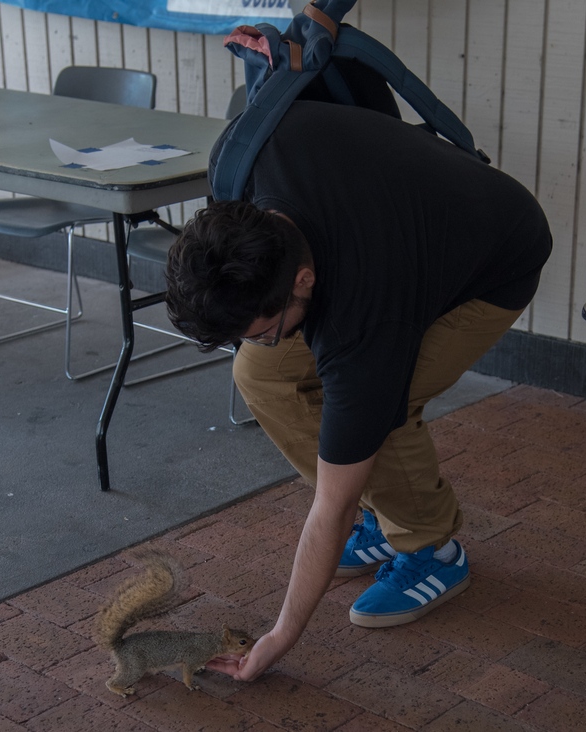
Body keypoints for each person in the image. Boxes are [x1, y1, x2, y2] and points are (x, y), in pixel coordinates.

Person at [165, 98, 552, 682]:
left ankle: (431, 550)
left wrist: (281, 635)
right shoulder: (240, 166)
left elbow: (330, 505)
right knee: (259, 373)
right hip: (402, 223)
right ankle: (383, 519)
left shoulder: (361, 327)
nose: (268, 340)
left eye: (268, 330)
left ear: (303, 280)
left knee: (381, 415)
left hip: (495, 254)